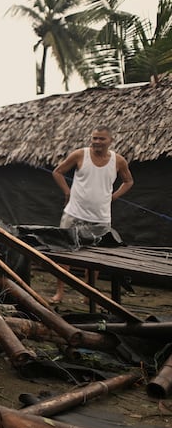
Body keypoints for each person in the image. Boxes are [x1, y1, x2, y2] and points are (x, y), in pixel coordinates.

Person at [50, 126, 134, 302]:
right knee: (64, 253)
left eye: (101, 139)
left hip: (100, 217)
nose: (96, 142)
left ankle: (88, 293)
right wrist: (67, 192)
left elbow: (128, 181)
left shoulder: (118, 161)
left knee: (95, 258)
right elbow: (58, 172)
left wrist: (113, 197)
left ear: (110, 141)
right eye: (94, 138)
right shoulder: (80, 155)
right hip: (74, 213)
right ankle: (60, 292)